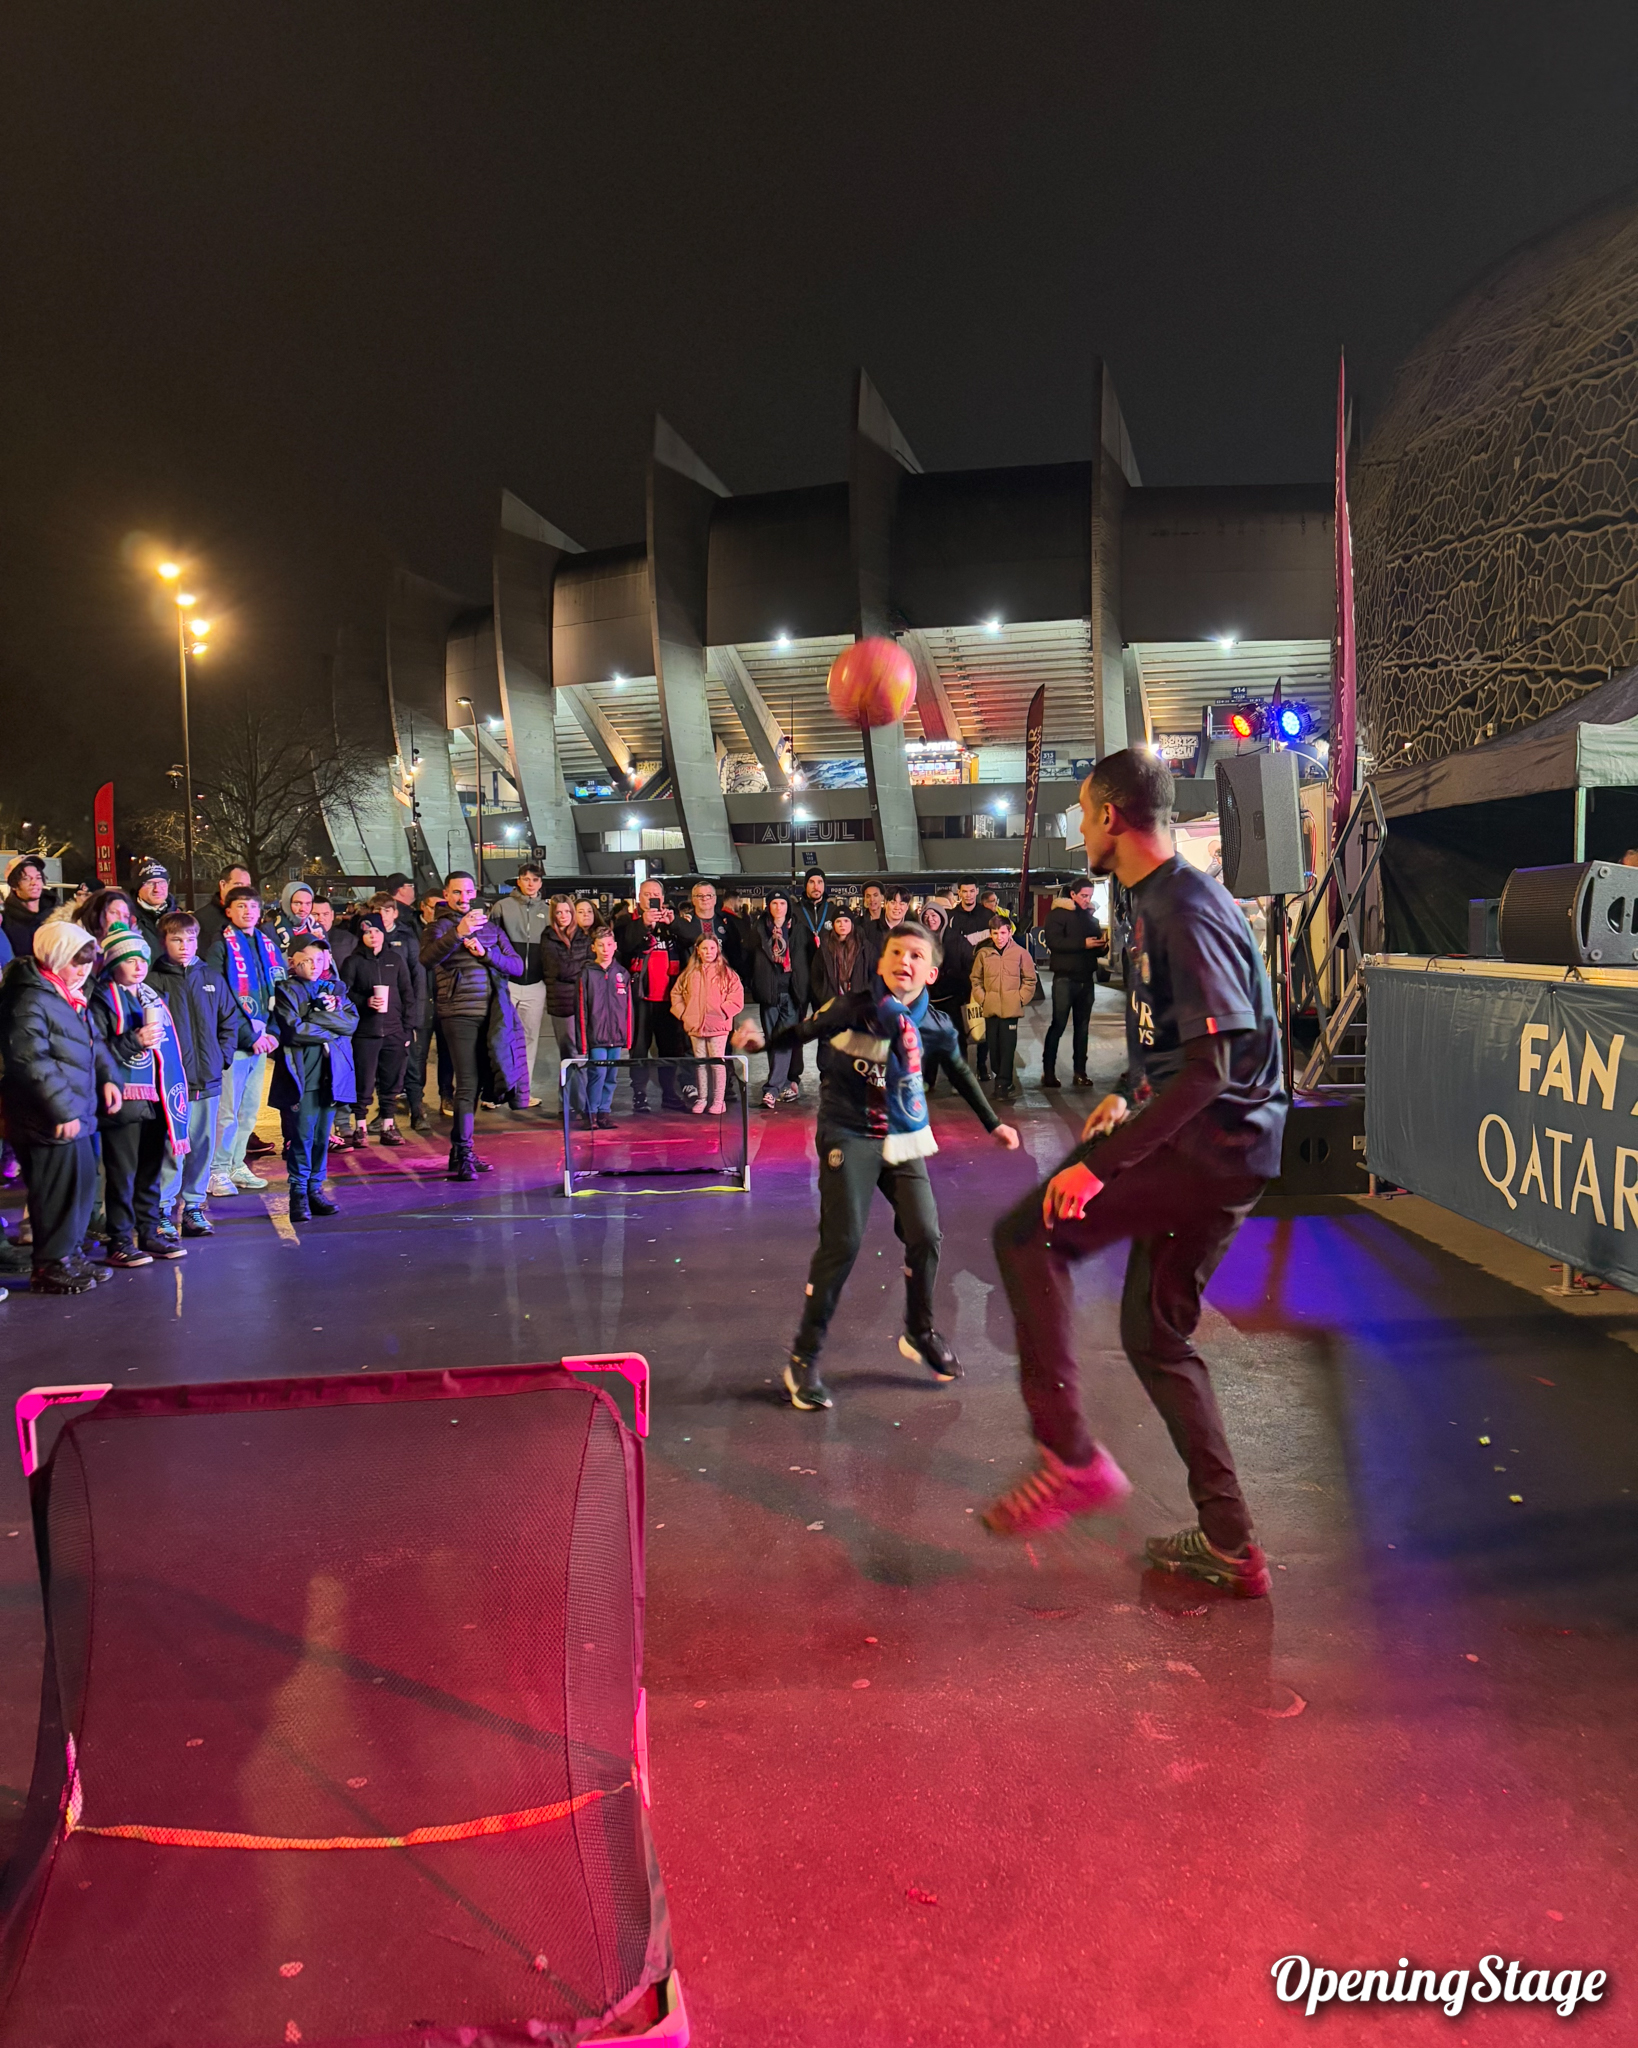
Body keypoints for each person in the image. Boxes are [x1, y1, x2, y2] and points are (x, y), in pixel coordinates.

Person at [984, 750, 1287, 1598]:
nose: (1080, 829)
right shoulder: (1150, 902)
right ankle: (1231, 1545)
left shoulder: (1184, 908)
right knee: (1157, 1337)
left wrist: (1099, 1169)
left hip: (1214, 1147)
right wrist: (1127, 1093)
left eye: (1083, 814)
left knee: (1027, 1233)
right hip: (1217, 1144)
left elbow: (1213, 1068)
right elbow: (1174, 1049)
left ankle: (1070, 1459)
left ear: (1112, 816)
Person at [733, 921, 1021, 1410]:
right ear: (881, 963)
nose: (903, 962)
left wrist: (993, 1123)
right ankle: (803, 1358)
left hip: (902, 1135)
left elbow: (960, 1071)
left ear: (930, 973)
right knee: (843, 1243)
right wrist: (761, 1046)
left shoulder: (935, 1027)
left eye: (915, 956)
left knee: (926, 1235)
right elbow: (805, 1031)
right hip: (848, 1130)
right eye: (895, 953)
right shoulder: (853, 1008)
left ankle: (919, 1331)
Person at [0, 923, 120, 1293]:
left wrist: (108, 1077)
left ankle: (70, 1255)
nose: (83, 970)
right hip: (44, 1119)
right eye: (75, 962)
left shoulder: (66, 993)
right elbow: (30, 1062)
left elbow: (90, 1041)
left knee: (81, 1187)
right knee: (55, 1193)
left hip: (75, 1111)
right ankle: (50, 1266)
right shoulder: (28, 998)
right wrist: (63, 1110)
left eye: (87, 962)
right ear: (53, 957)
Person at [149, 909, 256, 1236]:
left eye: (190, 939)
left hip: (207, 1080)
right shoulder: (154, 981)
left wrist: (222, 1058)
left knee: (202, 1147)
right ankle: (164, 1209)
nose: (184, 946)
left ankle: (193, 1207)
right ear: (163, 941)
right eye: (176, 939)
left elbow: (230, 1021)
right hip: (170, 1085)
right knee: (172, 1148)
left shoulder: (211, 977)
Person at [90, 927, 191, 1265]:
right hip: (123, 1099)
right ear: (113, 963)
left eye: (142, 959)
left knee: (150, 1171)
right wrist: (136, 1040)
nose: (138, 967)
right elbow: (96, 1052)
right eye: (129, 960)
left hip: (155, 1097)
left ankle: (148, 1232)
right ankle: (119, 1240)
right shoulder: (102, 998)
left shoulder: (151, 996)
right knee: (122, 1173)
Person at [420, 871, 527, 1181]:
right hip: (458, 1014)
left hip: (491, 1014)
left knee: (478, 1085)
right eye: (456, 892)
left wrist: (487, 953)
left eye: (467, 891)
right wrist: (458, 933)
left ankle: (459, 1151)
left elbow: (517, 966)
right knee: (467, 1084)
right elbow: (426, 959)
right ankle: (465, 1152)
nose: (463, 897)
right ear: (446, 894)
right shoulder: (438, 927)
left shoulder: (491, 929)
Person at [269, 934, 359, 1222]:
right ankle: (297, 1193)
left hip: (331, 1074)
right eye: (307, 959)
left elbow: (351, 1023)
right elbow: (293, 1030)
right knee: (302, 1136)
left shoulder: (335, 990)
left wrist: (316, 1021)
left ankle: (315, 1189)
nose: (314, 964)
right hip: (302, 1074)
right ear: (293, 961)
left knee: (323, 1136)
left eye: (320, 959)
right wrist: (332, 1029)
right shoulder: (286, 991)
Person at [205, 886, 284, 1195]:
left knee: (248, 1111)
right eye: (241, 906)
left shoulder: (267, 943)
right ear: (229, 911)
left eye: (252, 906)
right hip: (235, 1044)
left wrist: (274, 1032)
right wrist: (249, 1036)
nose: (248, 912)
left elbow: (280, 990)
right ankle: (217, 1170)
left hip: (262, 1041)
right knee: (226, 1112)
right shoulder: (221, 947)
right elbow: (220, 998)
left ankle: (237, 1164)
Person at [341, 913, 414, 1146]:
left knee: (391, 1081)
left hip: (394, 1031)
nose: (372, 936)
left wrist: (407, 1029)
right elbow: (344, 994)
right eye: (367, 932)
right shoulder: (353, 962)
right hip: (365, 1033)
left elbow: (407, 994)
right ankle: (360, 1127)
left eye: (376, 931)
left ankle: (388, 1125)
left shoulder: (395, 959)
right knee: (363, 1080)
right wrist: (365, 1002)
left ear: (384, 934)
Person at [620, 892, 686, 1112]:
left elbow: (694, 938)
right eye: (647, 895)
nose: (652, 898)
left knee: (670, 1049)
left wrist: (674, 923)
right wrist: (643, 923)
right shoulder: (627, 922)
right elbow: (625, 945)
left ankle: (669, 1092)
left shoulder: (671, 922)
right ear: (639, 898)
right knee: (639, 1049)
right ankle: (639, 1095)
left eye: (656, 894)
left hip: (669, 999)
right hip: (641, 999)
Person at [493, 863, 551, 1107]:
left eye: (535, 880)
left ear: (540, 883)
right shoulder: (502, 907)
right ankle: (494, 1093)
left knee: (529, 1038)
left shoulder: (548, 911)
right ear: (518, 880)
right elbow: (490, 941)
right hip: (507, 983)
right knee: (499, 1037)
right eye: (526, 879)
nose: (530, 884)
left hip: (536, 984)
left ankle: (522, 1092)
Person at [1041, 877, 1107, 1089]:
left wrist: (1101, 946)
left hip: (1086, 979)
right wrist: (1083, 944)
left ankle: (1080, 1072)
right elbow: (1054, 942)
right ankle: (1048, 1072)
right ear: (1073, 894)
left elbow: (1093, 946)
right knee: (1058, 1024)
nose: (1087, 900)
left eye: (1090, 896)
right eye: (1083, 896)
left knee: (1083, 1028)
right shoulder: (1057, 915)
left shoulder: (1089, 918)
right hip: (1064, 979)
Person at [670, 933, 744, 1114]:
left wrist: (722, 1012)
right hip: (695, 1026)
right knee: (700, 1063)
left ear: (717, 950)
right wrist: (684, 1014)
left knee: (717, 1063)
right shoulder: (689, 973)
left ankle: (719, 1100)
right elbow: (676, 994)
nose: (708, 952)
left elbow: (737, 996)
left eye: (712, 948)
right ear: (698, 951)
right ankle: (702, 1098)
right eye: (704, 948)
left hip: (718, 1027)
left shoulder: (727, 973)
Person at [970, 912, 1037, 1101]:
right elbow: (976, 979)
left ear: (1009, 932)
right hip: (990, 1010)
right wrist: (983, 999)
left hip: (1011, 1010)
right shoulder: (984, 954)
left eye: (1002, 933)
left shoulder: (1021, 954)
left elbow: (1030, 980)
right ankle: (1002, 1076)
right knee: (994, 1047)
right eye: (995, 933)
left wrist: (1020, 999)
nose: (999, 937)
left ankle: (1002, 1084)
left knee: (1008, 1047)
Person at [576, 924, 633, 1130]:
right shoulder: (587, 974)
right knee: (597, 1075)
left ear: (615, 946)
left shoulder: (622, 974)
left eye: (609, 944)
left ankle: (604, 1113)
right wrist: (583, 1042)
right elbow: (582, 1009)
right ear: (594, 948)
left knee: (612, 1077)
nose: (605, 949)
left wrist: (628, 1037)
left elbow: (628, 1010)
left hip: (616, 1037)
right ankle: (590, 1113)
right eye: (600, 945)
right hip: (596, 1037)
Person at [746, 890, 799, 1110]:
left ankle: (771, 1090)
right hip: (768, 994)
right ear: (769, 906)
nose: (778, 907)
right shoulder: (758, 930)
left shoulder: (797, 929)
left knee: (784, 1040)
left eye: (782, 903)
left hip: (791, 993)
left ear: (788, 906)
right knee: (772, 1040)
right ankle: (783, 1083)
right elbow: (746, 958)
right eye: (774, 903)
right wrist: (755, 983)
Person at [537, 894, 589, 1111]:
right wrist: (579, 969)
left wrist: (577, 969)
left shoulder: (583, 936)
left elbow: (590, 966)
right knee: (569, 1055)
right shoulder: (548, 937)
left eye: (567, 911)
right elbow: (556, 969)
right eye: (559, 912)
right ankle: (570, 1105)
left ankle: (578, 1104)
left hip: (583, 1002)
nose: (563, 916)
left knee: (582, 1055)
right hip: (561, 1004)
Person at [790, 869, 834, 1090]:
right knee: (798, 1028)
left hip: (825, 980)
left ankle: (826, 1074)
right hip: (800, 978)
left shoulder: (833, 911)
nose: (816, 886)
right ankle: (793, 1077)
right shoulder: (795, 911)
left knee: (825, 1027)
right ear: (805, 885)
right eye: (811, 882)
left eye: (820, 882)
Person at [811, 906, 870, 1006]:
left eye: (846, 921)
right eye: (838, 921)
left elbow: (873, 974)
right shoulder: (825, 947)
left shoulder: (863, 946)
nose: (842, 924)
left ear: (852, 924)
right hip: (832, 1002)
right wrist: (824, 995)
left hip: (858, 1003)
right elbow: (815, 975)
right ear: (833, 924)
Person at [196, 864, 252, 955]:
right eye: (238, 885)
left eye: (247, 886)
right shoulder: (201, 920)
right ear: (223, 885)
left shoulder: (251, 917)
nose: (244, 891)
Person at [2, 857, 51, 959]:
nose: (34, 883)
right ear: (14, 885)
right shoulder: (5, 921)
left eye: (38, 877)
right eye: (26, 878)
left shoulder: (58, 915)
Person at [131, 860, 175, 948]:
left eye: (162, 882)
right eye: (150, 883)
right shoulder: (126, 919)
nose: (157, 889)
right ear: (138, 887)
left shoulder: (178, 916)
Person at [271, 883, 319, 954]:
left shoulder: (318, 928)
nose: (303, 909)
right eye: (297, 903)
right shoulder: (270, 930)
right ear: (286, 904)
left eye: (308, 903)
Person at [313, 897, 357, 968]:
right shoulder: (299, 940)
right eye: (315, 914)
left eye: (325, 914)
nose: (320, 919)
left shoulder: (349, 940)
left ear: (332, 915)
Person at [947, 877, 991, 949]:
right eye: (965, 891)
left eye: (972, 891)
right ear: (959, 892)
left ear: (977, 891)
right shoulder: (951, 916)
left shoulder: (988, 915)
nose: (968, 895)